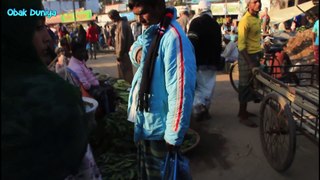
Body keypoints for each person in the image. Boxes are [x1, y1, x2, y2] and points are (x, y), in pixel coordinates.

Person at [1, 0, 89, 179]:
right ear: (13, 33)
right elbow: (80, 165)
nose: (48, 37)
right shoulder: (57, 95)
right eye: (38, 27)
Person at [127, 0, 196, 179]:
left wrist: (173, 136)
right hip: (147, 121)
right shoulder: (154, 30)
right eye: (136, 15)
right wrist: (142, 53)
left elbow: (180, 92)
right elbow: (135, 47)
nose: (139, 19)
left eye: (142, 13)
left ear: (158, 5)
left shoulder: (173, 38)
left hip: (161, 129)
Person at [187, 0, 222, 119]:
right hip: (212, 62)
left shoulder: (196, 22)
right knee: (208, 87)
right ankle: (205, 109)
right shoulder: (216, 24)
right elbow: (219, 45)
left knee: (197, 86)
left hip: (198, 60)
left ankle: (199, 108)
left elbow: (192, 42)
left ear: (199, 10)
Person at [237, 0, 262, 127]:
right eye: (255, 2)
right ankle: (242, 115)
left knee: (253, 84)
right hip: (246, 56)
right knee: (244, 85)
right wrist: (250, 63)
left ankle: (245, 111)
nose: (258, 4)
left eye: (259, 1)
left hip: (256, 54)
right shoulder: (244, 21)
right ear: (249, 5)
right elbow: (241, 46)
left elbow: (255, 38)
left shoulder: (257, 18)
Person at [108, 9, 134, 84]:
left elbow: (121, 41)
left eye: (112, 18)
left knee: (125, 74)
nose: (112, 20)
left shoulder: (122, 24)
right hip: (125, 52)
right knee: (126, 72)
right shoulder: (123, 23)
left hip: (124, 53)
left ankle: (128, 88)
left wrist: (119, 54)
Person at [312, 13, 319, 83]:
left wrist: (313, 42)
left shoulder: (317, 22)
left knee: (317, 61)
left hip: (317, 43)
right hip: (317, 43)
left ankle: (317, 79)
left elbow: (313, 32)